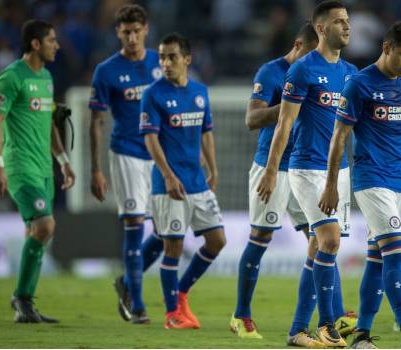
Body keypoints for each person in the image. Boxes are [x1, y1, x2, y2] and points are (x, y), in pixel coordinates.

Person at [322, 21, 401, 349]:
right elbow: (339, 137)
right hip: (371, 179)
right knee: (395, 253)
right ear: (387, 47)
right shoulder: (359, 85)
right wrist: (332, 185)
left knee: (378, 258)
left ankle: (361, 336)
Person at [256, 1, 357, 347]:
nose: (346, 26)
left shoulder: (350, 73)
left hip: (339, 171)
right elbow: (283, 125)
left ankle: (298, 331)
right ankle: (328, 325)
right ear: (320, 28)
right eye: (339, 21)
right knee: (330, 240)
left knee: (317, 248)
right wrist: (271, 171)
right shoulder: (302, 70)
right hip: (305, 168)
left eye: (348, 20)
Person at [229, 20, 317, 342]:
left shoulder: (319, 73)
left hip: (303, 167)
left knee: (321, 238)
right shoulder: (270, 72)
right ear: (297, 46)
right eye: (308, 54)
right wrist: (291, 105)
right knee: (260, 237)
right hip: (272, 167)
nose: (311, 61)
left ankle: (333, 315)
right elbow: (252, 119)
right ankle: (241, 315)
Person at [0, 19, 75, 323]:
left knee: (36, 232)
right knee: (45, 226)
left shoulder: (47, 78)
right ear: (36, 44)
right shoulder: (11, 78)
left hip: (44, 168)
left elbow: (48, 122)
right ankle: (21, 297)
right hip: (20, 166)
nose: (57, 45)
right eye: (52, 40)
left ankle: (26, 306)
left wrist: (63, 160)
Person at [140, 33, 226, 330]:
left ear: (187, 59)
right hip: (168, 186)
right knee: (173, 247)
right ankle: (171, 314)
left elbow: (206, 133)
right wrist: (167, 175)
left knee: (217, 241)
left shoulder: (200, 91)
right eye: (162, 57)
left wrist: (213, 168)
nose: (165, 63)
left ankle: (182, 292)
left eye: (172, 56)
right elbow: (150, 138)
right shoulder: (153, 94)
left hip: (197, 182)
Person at [88, 4, 164, 324]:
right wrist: (96, 169)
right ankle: (138, 305)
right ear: (118, 33)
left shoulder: (162, 64)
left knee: (165, 232)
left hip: (159, 155)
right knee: (134, 226)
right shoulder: (106, 71)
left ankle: (127, 282)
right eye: (126, 32)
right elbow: (96, 121)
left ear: (146, 30)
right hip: (126, 154)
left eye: (137, 31)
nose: (132, 37)